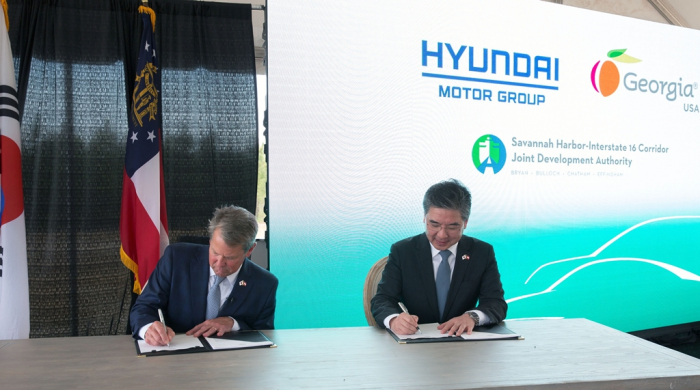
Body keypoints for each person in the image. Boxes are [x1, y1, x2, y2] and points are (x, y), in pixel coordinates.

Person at [371, 179, 507, 336]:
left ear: (465, 222)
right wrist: (394, 320)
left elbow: (496, 303)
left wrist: (471, 317)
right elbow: (382, 299)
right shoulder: (403, 251)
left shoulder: (481, 252)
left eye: (452, 227)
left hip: (464, 345)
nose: (442, 235)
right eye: (434, 225)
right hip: (414, 344)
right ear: (424, 217)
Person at [130, 206, 278, 346]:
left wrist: (234, 324)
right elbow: (143, 307)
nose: (219, 263)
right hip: (175, 360)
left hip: (232, 365)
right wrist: (148, 328)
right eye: (215, 252)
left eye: (230, 258)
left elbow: (264, 334)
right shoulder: (176, 259)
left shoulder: (264, 284)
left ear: (250, 250)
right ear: (210, 241)